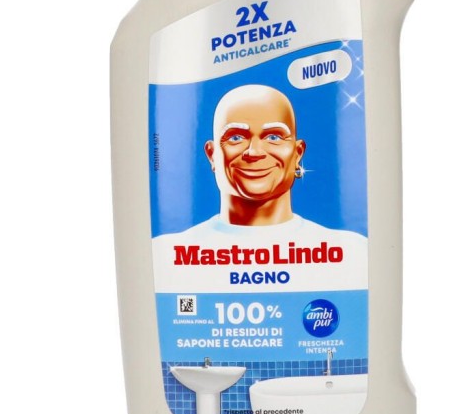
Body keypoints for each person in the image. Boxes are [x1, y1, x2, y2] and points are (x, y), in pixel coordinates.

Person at [152, 84, 366, 290]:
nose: (254, 152)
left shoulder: (350, 251)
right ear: (212, 154)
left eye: (274, 137)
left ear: (297, 153)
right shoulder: (167, 254)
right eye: (236, 137)